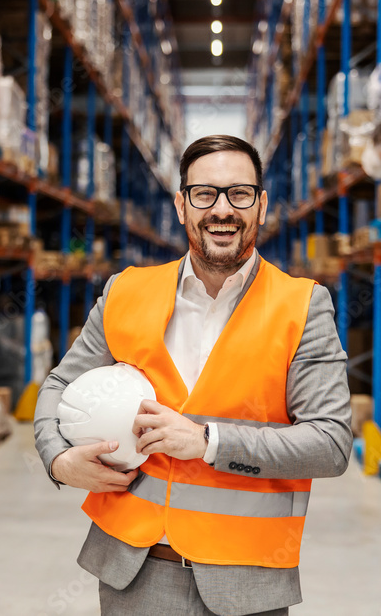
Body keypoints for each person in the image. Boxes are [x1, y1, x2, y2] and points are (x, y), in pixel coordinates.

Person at [34, 134, 352, 615]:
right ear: (182, 206)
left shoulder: (302, 306)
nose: (222, 209)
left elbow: (330, 444)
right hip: (133, 573)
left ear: (261, 206)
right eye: (205, 194)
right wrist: (58, 460)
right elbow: (59, 386)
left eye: (239, 194)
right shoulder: (125, 292)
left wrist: (209, 442)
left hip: (247, 581)